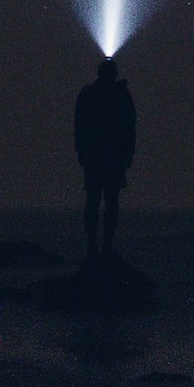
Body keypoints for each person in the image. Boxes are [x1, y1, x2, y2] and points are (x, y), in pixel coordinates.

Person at [74, 56, 136, 259]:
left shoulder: (88, 94)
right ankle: (105, 245)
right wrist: (128, 153)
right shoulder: (121, 95)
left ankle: (94, 246)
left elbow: (79, 124)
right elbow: (130, 126)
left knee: (94, 199)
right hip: (113, 154)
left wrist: (81, 151)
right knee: (110, 200)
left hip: (95, 154)